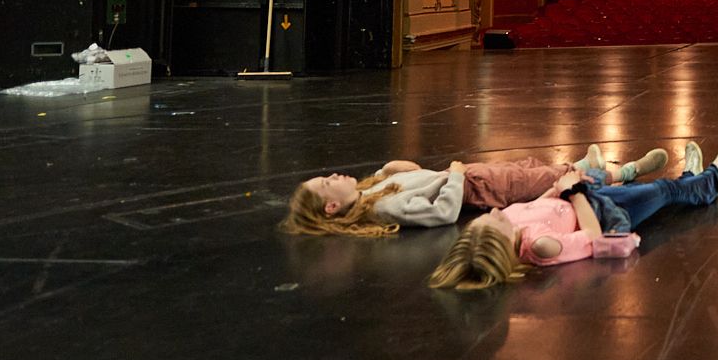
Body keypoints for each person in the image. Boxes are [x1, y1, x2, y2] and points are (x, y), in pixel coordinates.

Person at [428, 143, 718, 290]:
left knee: (598, 176)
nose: (495, 211)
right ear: (501, 241)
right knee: (659, 192)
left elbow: (537, 205)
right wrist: (572, 192)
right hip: (602, 213)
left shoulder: (512, 224)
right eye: (494, 219)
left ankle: (680, 176)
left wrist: (560, 186)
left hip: (580, 197)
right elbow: (592, 237)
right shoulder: (540, 246)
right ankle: (708, 184)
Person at [280, 144, 669, 238]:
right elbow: (442, 213)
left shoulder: (375, 190)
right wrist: (453, 174)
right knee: (541, 182)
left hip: (471, 176)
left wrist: (390, 169)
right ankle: (622, 174)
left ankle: (590, 166)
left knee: (530, 170)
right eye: (328, 183)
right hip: (472, 187)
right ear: (331, 207)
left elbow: (412, 175)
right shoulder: (384, 209)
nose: (333, 174)